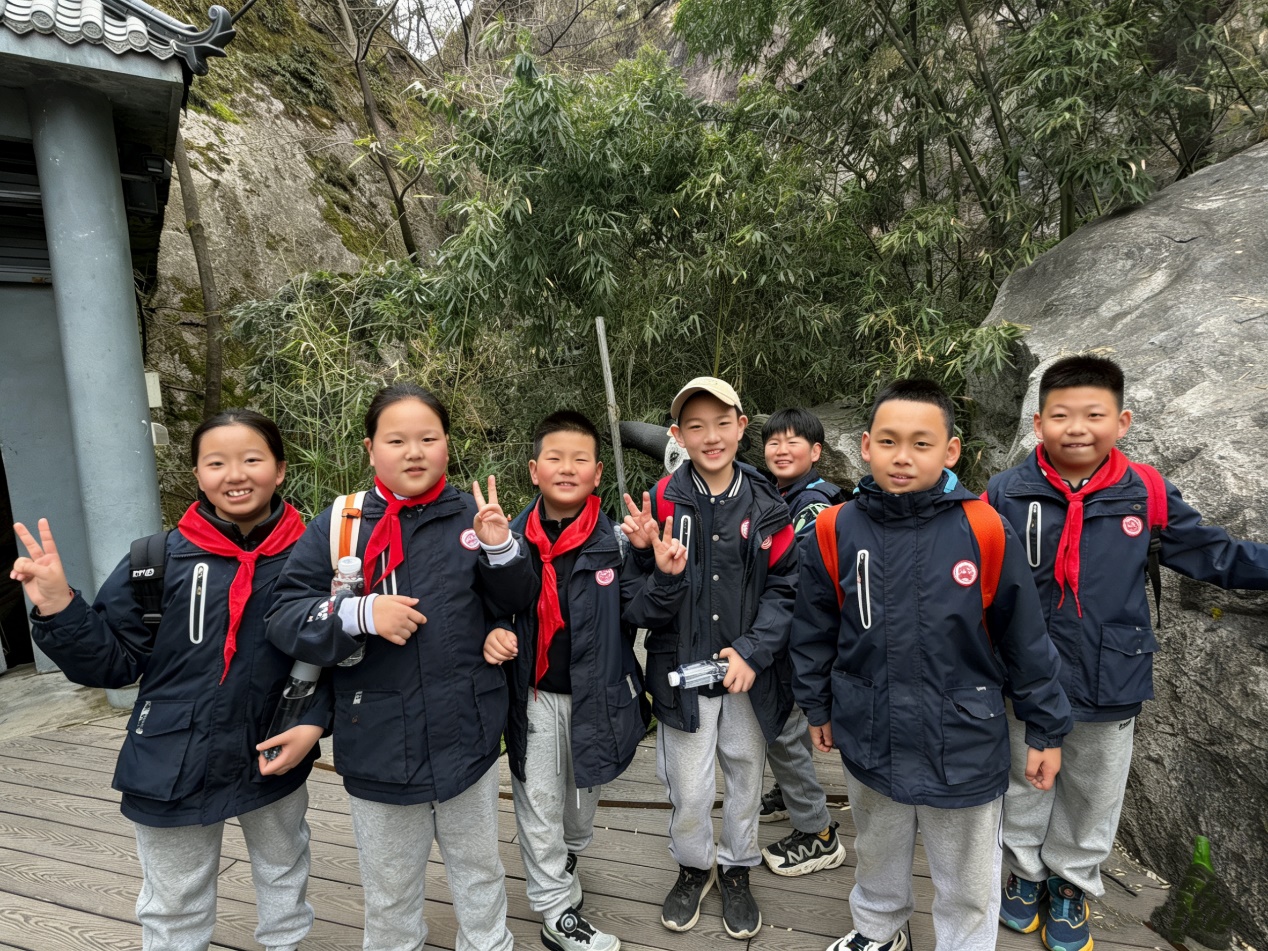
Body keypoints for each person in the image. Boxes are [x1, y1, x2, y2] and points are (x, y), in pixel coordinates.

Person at [11, 409, 324, 951]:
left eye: (252, 459)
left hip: (274, 744)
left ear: (279, 469)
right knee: (174, 896)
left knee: (283, 869)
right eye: (216, 463)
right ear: (198, 473)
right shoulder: (155, 560)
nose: (235, 474)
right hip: (170, 757)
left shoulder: (313, 558)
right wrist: (60, 606)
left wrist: (313, 723)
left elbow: (336, 655)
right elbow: (113, 665)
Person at [987, 355, 1268, 951]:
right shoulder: (1006, 493)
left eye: (1094, 414)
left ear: (1123, 421)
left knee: (1095, 787)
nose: (1077, 428)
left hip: (1110, 669)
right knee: (1022, 777)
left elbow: (1214, 554)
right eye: (1060, 415)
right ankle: (1023, 872)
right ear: (1038, 424)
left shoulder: (1146, 493)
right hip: (1024, 673)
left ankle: (1070, 883)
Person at [791, 378, 1072, 951]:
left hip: (963, 736)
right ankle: (879, 929)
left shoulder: (984, 528)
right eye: (888, 441)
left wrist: (1045, 728)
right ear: (865, 445)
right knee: (877, 844)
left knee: (967, 871)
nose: (903, 456)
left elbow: (1025, 639)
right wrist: (817, 705)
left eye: (922, 443)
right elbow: (814, 630)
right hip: (870, 725)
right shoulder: (834, 528)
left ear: (951, 450)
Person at [265, 382, 536, 951]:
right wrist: (361, 612)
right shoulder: (342, 524)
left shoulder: (472, 514)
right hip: (379, 742)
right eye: (396, 440)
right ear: (370, 449)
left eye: (428, 439)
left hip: (468, 735)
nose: (414, 452)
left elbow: (513, 601)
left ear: (447, 444)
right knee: (390, 891)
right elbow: (285, 617)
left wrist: (499, 551)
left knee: (481, 873)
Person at [485, 410, 686, 951]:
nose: (567, 468)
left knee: (580, 804)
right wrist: (495, 630)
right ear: (534, 470)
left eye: (580, 460)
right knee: (538, 801)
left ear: (598, 474)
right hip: (533, 696)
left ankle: (567, 855)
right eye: (554, 458)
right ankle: (555, 910)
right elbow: (491, 604)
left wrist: (661, 571)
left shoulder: (615, 544)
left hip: (599, 696)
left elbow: (641, 611)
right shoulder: (508, 540)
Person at [621, 376, 799, 940]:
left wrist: (752, 650)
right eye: (696, 426)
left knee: (745, 776)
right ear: (677, 435)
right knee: (690, 787)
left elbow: (786, 589)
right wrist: (653, 565)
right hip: (682, 672)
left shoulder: (768, 504)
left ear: (742, 427)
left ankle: (738, 865)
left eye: (723, 423)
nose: (712, 436)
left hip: (748, 675)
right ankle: (694, 866)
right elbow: (635, 604)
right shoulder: (659, 503)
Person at [754, 408, 848, 875]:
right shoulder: (783, 494)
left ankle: (817, 832)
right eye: (774, 441)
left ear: (815, 452)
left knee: (783, 730)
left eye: (794, 442)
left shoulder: (812, 503)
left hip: (797, 637)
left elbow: (801, 581)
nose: (782, 449)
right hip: (793, 635)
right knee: (789, 726)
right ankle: (791, 793)